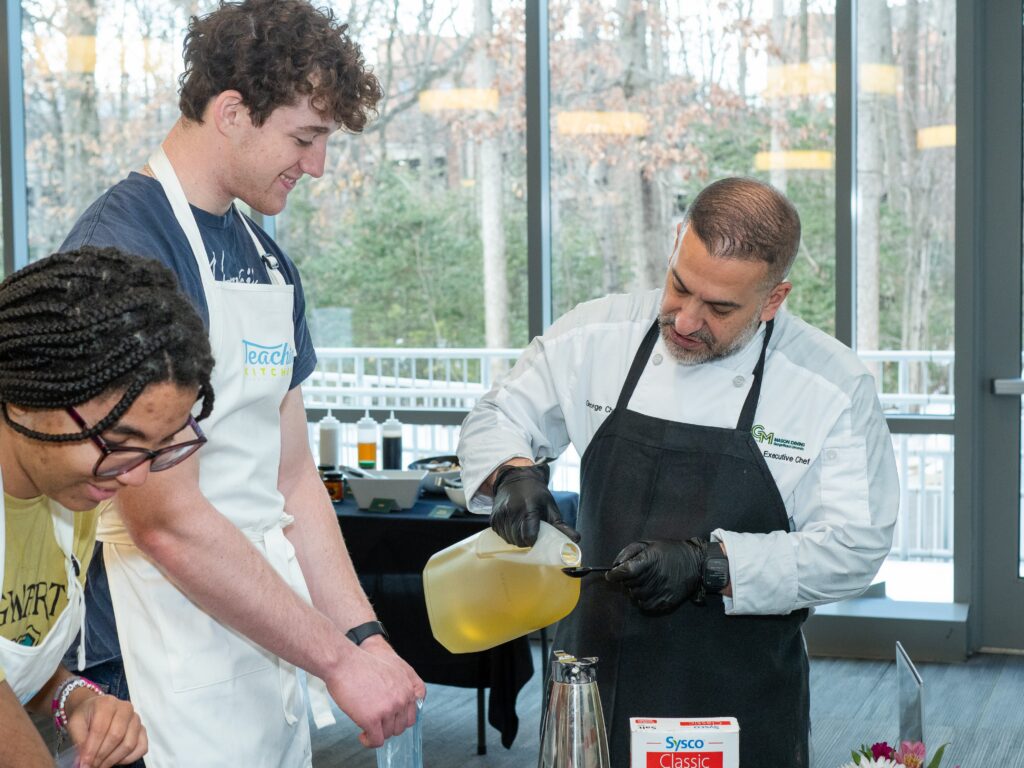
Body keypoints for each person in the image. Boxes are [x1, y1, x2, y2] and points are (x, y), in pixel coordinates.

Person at [60, 1, 425, 766]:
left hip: (266, 644)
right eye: (305, 137)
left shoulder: (266, 259)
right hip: (153, 652)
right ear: (231, 112)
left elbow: (292, 480)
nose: (318, 165)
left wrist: (362, 638)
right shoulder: (123, 253)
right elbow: (164, 519)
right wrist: (336, 660)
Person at [457, 177, 898, 766]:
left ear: (773, 299)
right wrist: (512, 470)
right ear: (675, 245)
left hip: (735, 694)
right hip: (590, 678)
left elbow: (853, 548)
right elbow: (499, 410)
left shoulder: (831, 387)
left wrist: (709, 565)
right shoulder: (598, 334)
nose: (686, 321)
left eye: (719, 308)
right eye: (679, 286)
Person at [0, 246, 215, 768]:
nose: (136, 474)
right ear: (26, 397)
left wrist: (72, 697)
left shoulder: (69, 493)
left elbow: (16, 649)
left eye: (157, 447)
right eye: (119, 441)